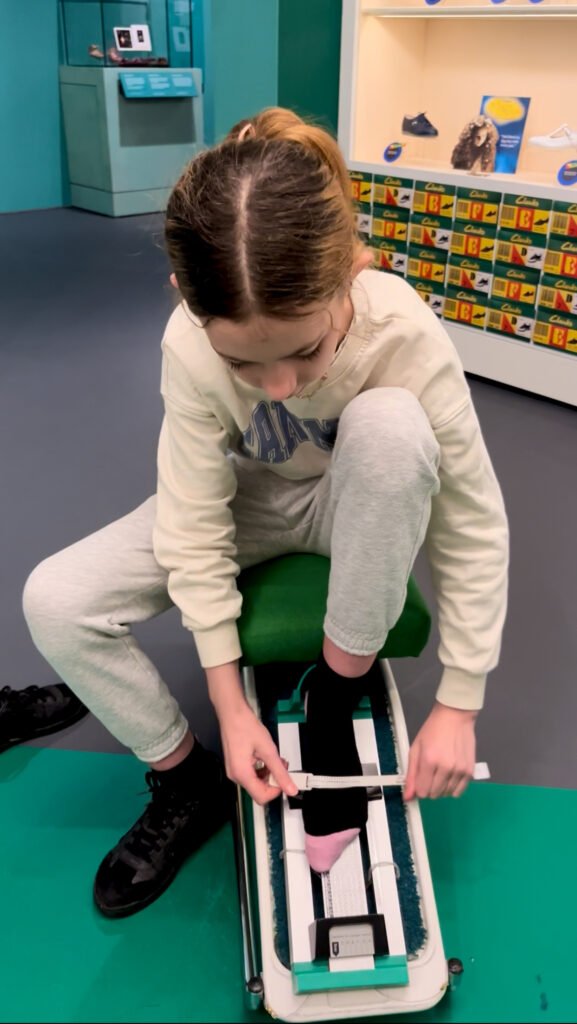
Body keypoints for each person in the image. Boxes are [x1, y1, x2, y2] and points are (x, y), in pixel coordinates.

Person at [22, 107, 509, 917]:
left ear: (347, 272)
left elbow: (469, 518)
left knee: (389, 427)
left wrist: (460, 700)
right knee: (56, 600)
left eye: (307, 352)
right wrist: (226, 700)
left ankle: (331, 700)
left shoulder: (400, 327)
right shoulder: (185, 341)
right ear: (187, 299)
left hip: (360, 497)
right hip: (256, 503)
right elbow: (191, 515)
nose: (279, 385)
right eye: (242, 360)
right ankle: (184, 783)